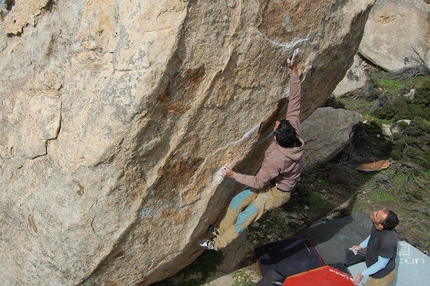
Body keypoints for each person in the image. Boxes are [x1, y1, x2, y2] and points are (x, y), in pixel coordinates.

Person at [199, 48, 305, 251]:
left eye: (275, 127)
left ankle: (217, 244)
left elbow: (259, 181)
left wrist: (232, 174)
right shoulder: (293, 131)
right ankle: (220, 230)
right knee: (238, 200)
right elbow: (295, 101)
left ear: (277, 139)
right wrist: (294, 69)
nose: (275, 123)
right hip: (272, 179)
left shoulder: (276, 157)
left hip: (277, 192)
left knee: (245, 216)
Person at [350, 209, 400, 286]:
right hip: (374, 271)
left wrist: (362, 274)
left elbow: (381, 264)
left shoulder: (387, 242)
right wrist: (361, 246)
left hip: (380, 278)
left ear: (381, 226)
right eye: (377, 211)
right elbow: (373, 235)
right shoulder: (376, 225)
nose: (374, 212)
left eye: (376, 214)